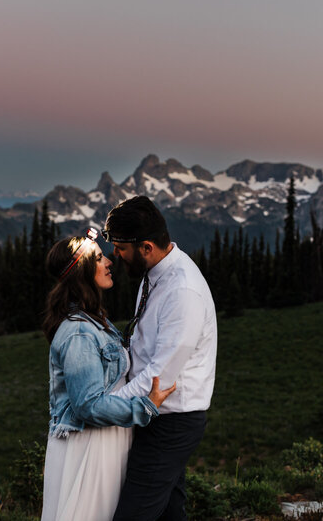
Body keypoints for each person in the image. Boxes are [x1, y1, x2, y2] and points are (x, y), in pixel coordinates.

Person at [40, 229, 176, 521]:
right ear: (83, 271)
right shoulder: (78, 330)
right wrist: (145, 406)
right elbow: (87, 405)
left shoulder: (93, 319)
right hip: (89, 446)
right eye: (99, 258)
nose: (109, 262)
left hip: (105, 439)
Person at [105, 196, 217, 521]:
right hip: (155, 413)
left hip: (170, 420)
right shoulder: (154, 274)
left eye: (121, 248)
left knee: (133, 514)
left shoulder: (182, 292)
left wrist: (104, 405)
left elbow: (158, 377)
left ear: (147, 247)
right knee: (169, 512)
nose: (115, 254)